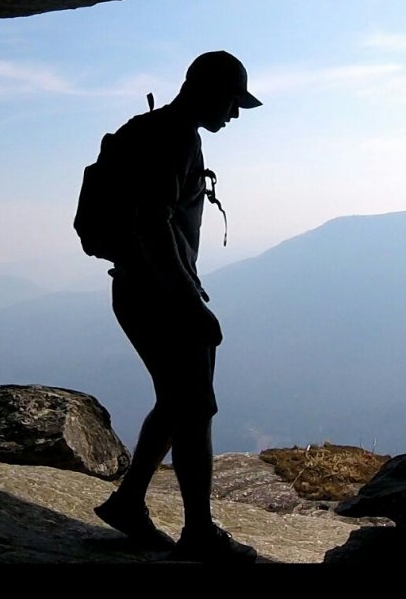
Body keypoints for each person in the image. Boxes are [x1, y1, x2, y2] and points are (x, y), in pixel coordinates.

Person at [93, 51, 262, 563]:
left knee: (176, 400)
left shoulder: (146, 128)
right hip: (161, 294)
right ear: (209, 90)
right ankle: (199, 534)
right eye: (233, 102)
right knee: (194, 408)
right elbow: (152, 224)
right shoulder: (178, 138)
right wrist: (191, 302)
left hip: (135, 288)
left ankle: (127, 502)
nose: (234, 114)